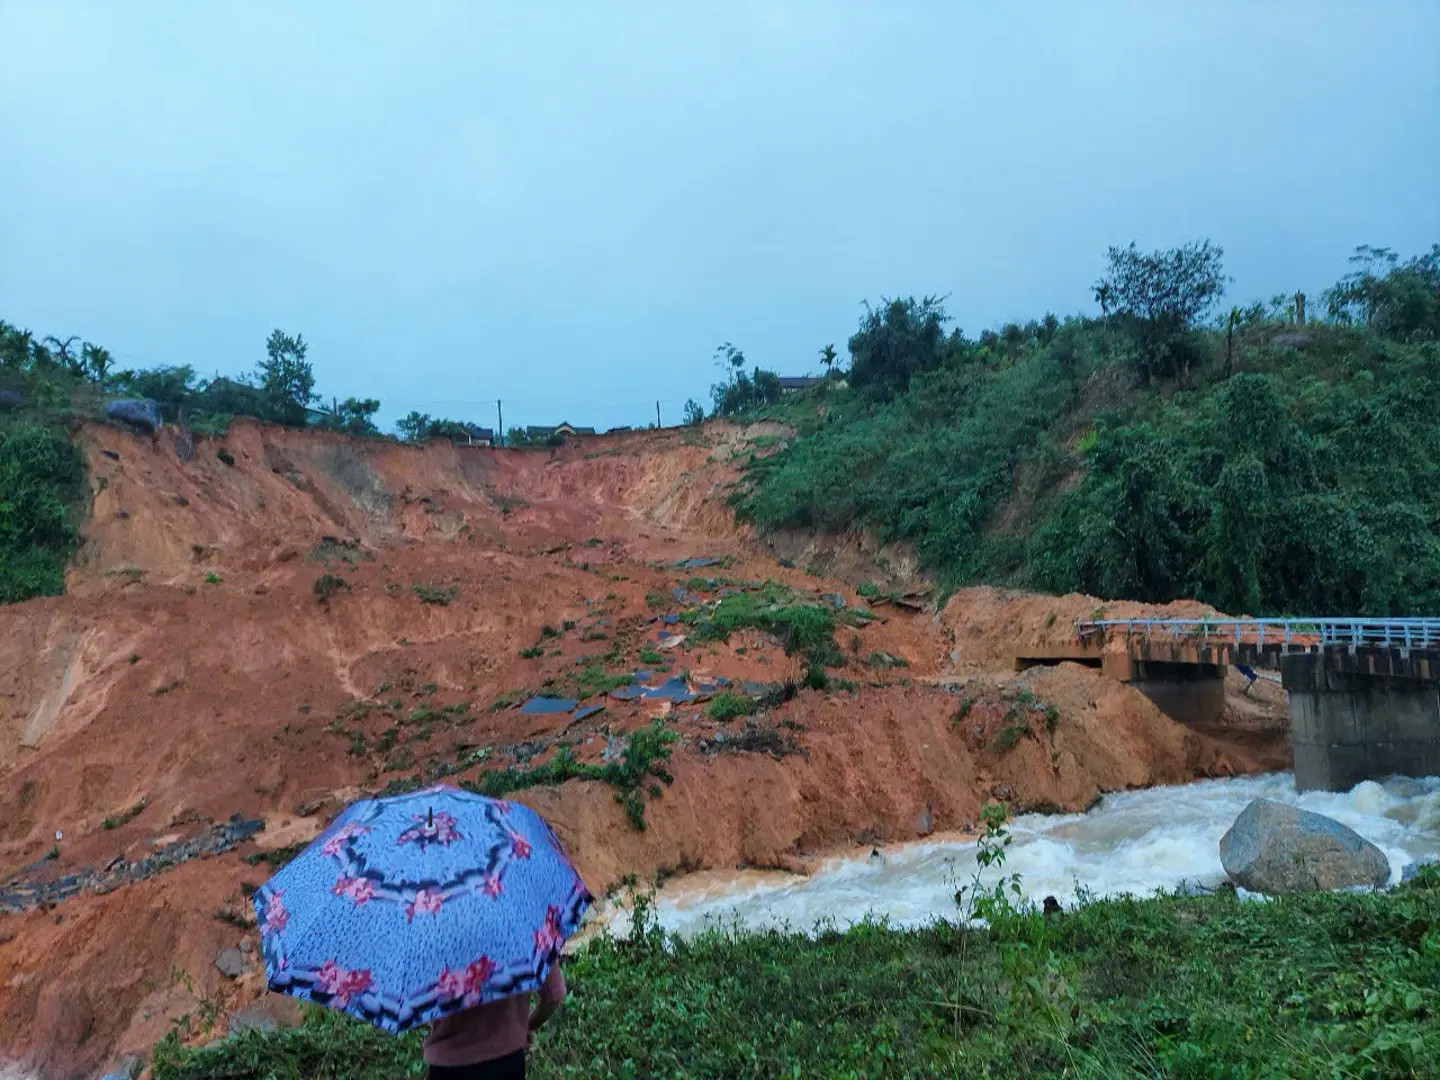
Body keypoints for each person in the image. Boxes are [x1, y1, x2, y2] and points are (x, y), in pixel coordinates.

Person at [425, 963, 567, 1080]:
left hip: (447, 1064)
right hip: (505, 1060)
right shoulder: (524, 930)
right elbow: (554, 995)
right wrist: (528, 1026)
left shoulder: (431, 936)